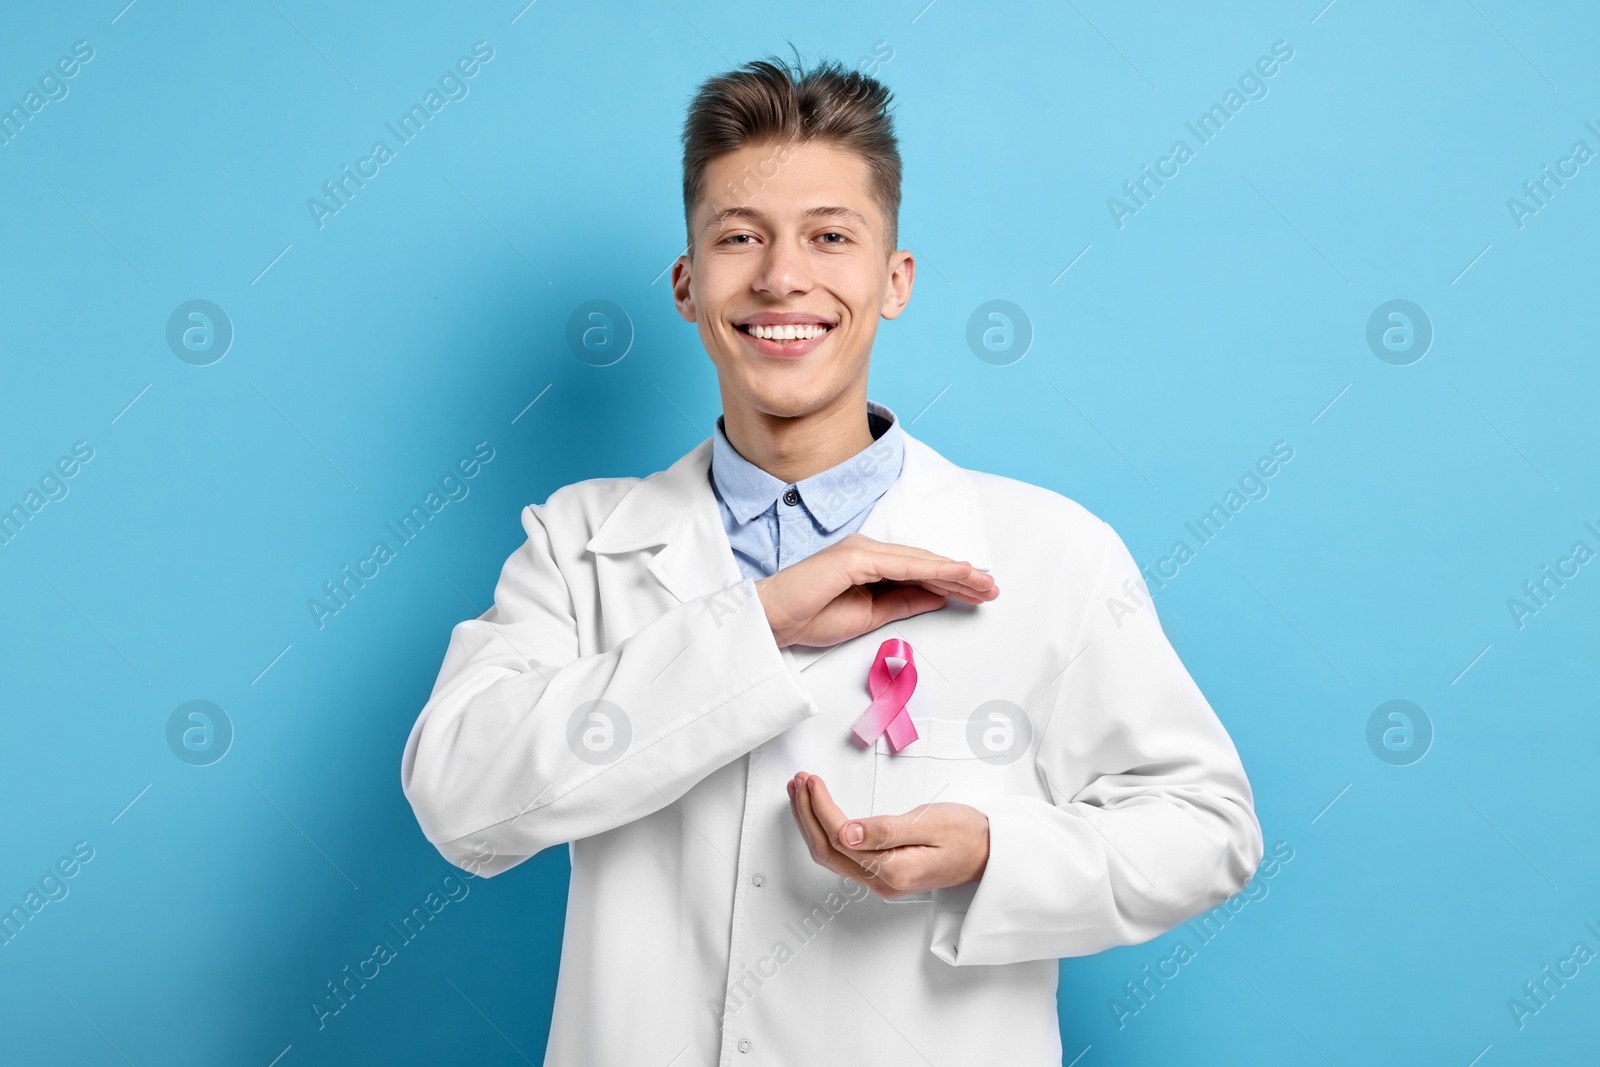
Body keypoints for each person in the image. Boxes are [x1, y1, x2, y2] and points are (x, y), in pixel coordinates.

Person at [401, 52, 1262, 1066]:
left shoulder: (1047, 549)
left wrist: (996, 851)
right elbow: (459, 798)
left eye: (829, 236)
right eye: (737, 237)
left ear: (892, 280)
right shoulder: (581, 542)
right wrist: (756, 625)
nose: (780, 276)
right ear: (687, 284)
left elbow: (1207, 826)